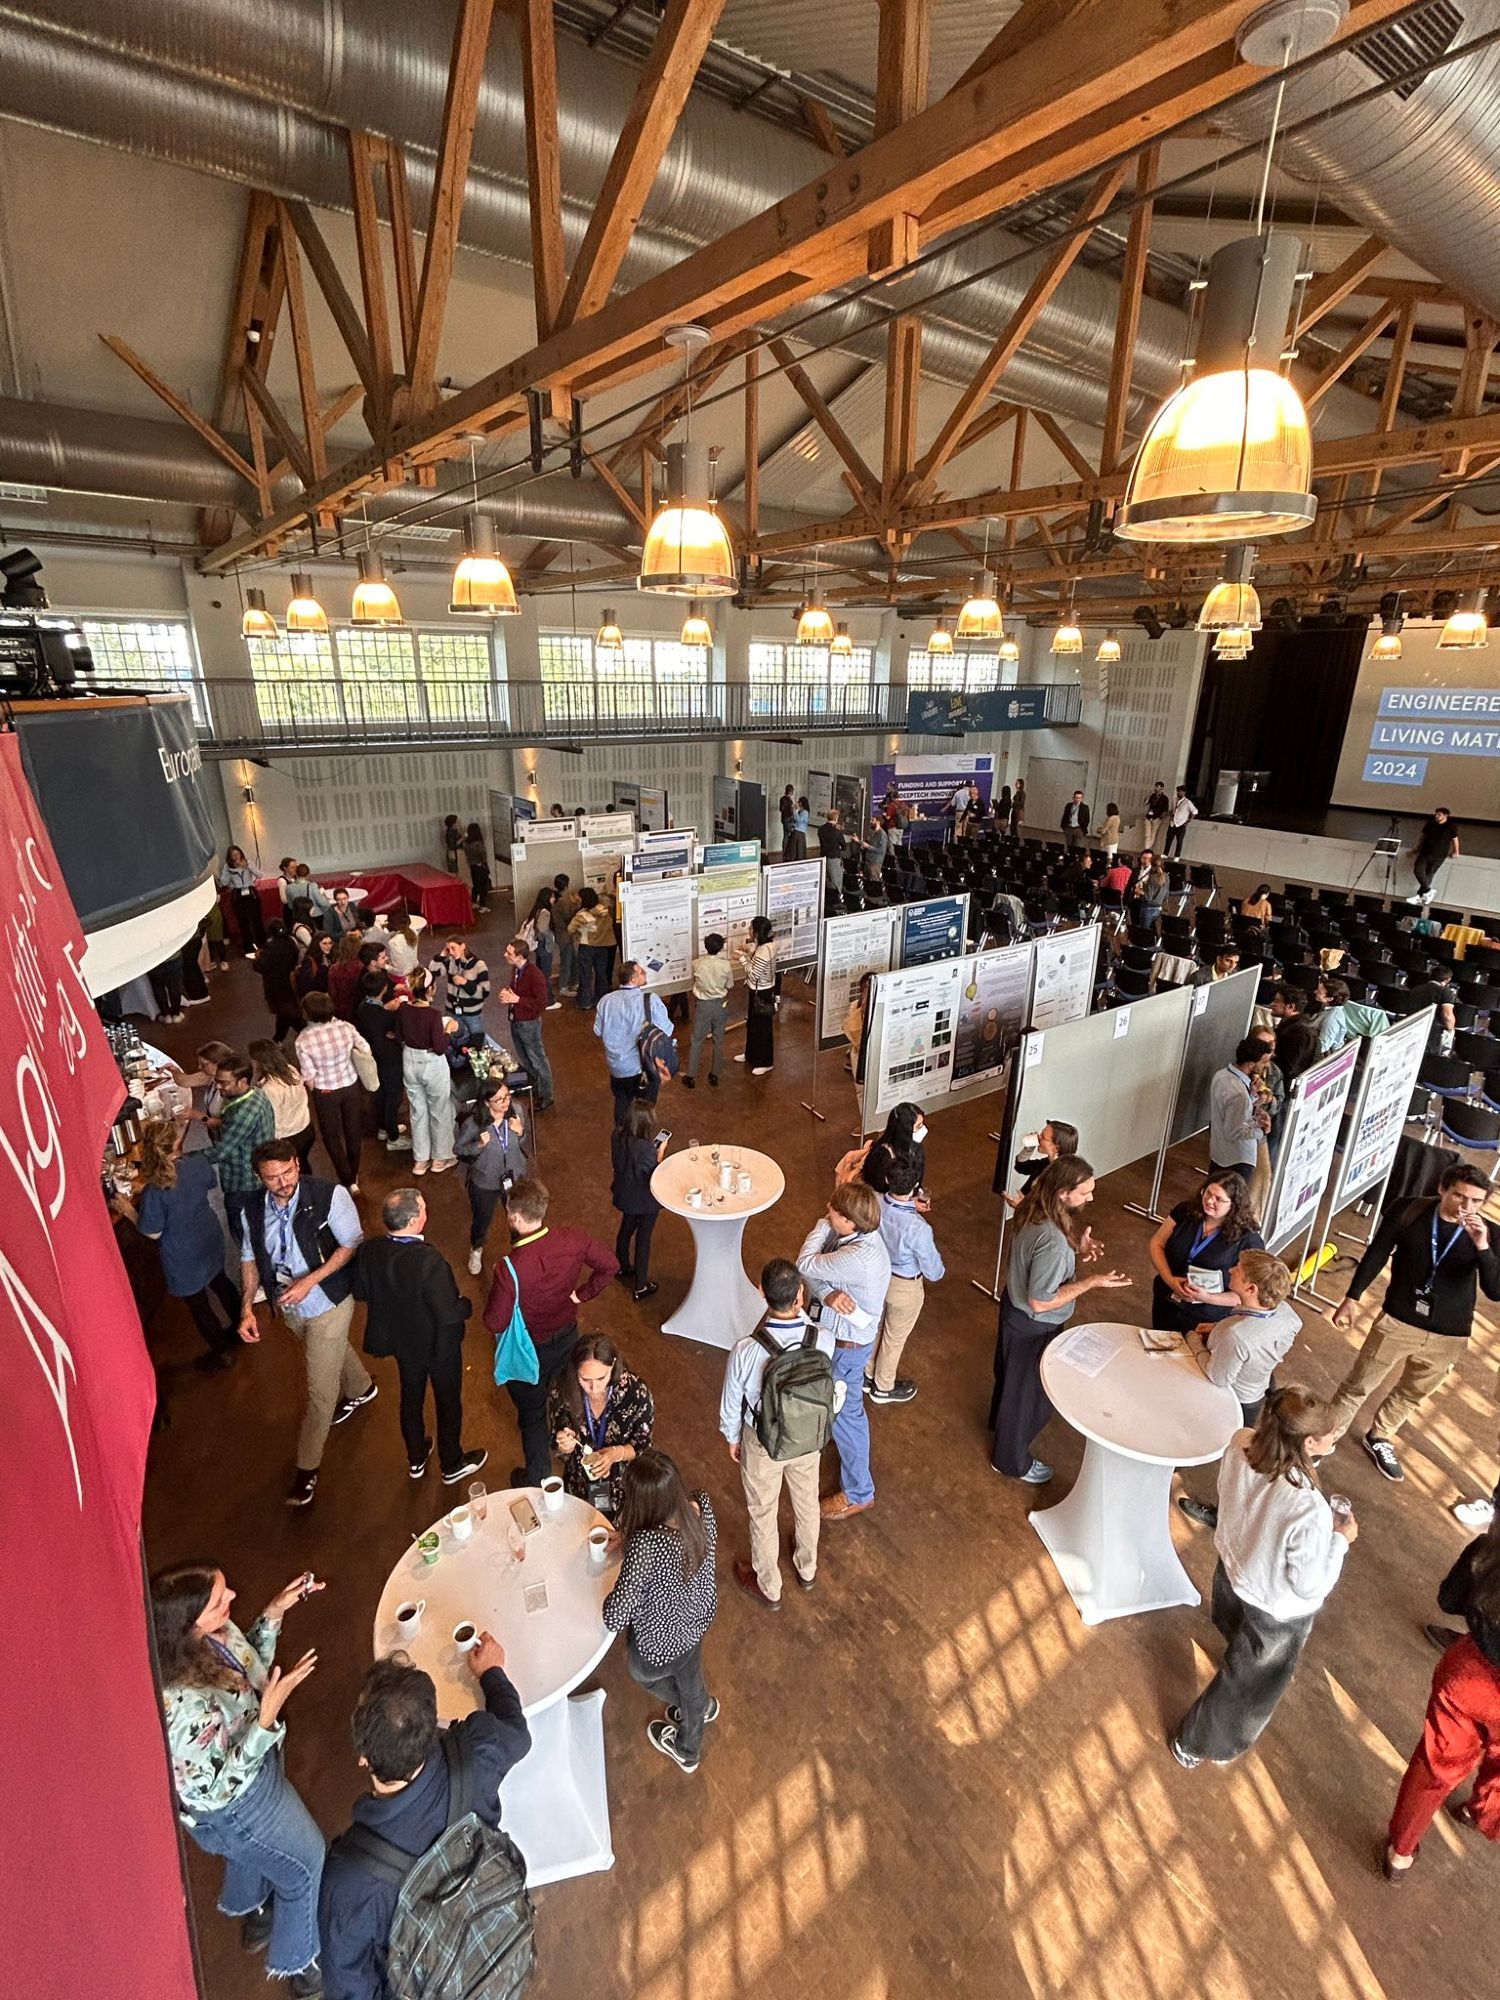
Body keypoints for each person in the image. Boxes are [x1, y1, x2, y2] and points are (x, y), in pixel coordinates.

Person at [151, 1562, 327, 1995]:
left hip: (260, 1767)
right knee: (306, 1865)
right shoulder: (177, 1707)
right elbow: (215, 1786)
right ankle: (301, 1967)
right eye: (218, 1602)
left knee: (262, 1856)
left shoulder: (216, 1636)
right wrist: (267, 1717)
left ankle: (258, 1914)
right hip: (238, 1805)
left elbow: (248, 1672)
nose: (232, 1600)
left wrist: (274, 1613)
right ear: (186, 1627)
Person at [319, 1642, 530, 2000]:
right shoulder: (475, 1752)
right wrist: (492, 1674)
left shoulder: (350, 1880)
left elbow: (350, 1987)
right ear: (431, 1725)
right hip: (498, 1958)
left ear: (363, 1759)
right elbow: (518, 1735)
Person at [1169, 1388, 1353, 1768]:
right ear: (1309, 1442)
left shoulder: (1241, 1443)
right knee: (1248, 1688)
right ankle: (1194, 1743)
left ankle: (1232, 1652)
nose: (1336, 1438)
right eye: (1331, 1434)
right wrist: (1339, 1541)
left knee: (1235, 1631)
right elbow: (1309, 1585)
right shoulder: (1308, 1508)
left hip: (1234, 1567)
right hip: (1275, 1607)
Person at [1325, 1164, 1499, 1482]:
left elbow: (1495, 1289)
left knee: (1412, 1393)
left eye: (1476, 1201)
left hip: (1450, 1334)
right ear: (1443, 1189)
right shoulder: (1409, 1211)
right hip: (1398, 1320)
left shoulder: (1489, 1234)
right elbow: (1377, 1253)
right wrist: (1352, 1297)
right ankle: (1323, 1441)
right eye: (1460, 1196)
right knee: (1358, 1385)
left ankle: (1379, 1436)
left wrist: (1483, 1246)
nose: (1467, 1207)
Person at [240, 1138, 374, 1508]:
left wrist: (309, 1281)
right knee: (326, 1350)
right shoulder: (250, 1209)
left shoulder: (330, 1196)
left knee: (320, 1395)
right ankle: (362, 1388)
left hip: (328, 1298)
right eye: (272, 1177)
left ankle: (306, 1469)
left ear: (297, 1164)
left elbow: (351, 1244)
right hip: (288, 1304)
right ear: (259, 1178)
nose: (283, 1182)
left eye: (288, 1172)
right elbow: (250, 1256)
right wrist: (247, 1307)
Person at [989, 1158, 1131, 1483]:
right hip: (1033, 1322)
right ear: (1064, 1193)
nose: (1090, 1198)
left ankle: (1001, 1430)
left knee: (1011, 1385)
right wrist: (1090, 1281)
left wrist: (1076, 1249)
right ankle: (1011, 1461)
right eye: (1085, 1193)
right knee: (1026, 1398)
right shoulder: (1052, 1240)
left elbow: (1036, 1259)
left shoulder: (1033, 1207)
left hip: (1014, 1309)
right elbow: (1042, 1300)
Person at [483, 1177, 618, 1485]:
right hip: (568, 1337)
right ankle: (569, 1450)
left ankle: (539, 1481)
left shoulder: (509, 1267)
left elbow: (495, 1322)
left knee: (531, 1416)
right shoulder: (572, 1239)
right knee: (567, 1399)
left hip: (527, 1350)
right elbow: (609, 1265)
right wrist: (580, 1294)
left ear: (515, 1217)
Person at [717, 1258, 833, 1612]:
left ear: (761, 1293)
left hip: (763, 1438)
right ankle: (807, 1567)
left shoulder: (748, 1349)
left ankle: (769, 1585)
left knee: (763, 1510)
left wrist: (732, 1437)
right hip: (808, 1435)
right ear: (800, 1293)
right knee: (807, 1500)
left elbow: (731, 1400)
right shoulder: (822, 1339)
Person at [1384, 1526, 1500, 1879]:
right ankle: (1479, 1813)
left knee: (1436, 1764)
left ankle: (1400, 1853)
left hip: (1470, 1675)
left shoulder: (1491, 1547)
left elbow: (1449, 1599)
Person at [351, 1188, 485, 1485]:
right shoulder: (428, 1260)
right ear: (414, 1221)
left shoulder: (370, 1251)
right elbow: (448, 1312)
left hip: (402, 1343)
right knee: (447, 1401)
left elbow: (361, 1291)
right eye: (423, 1208)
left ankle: (416, 1457)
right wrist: (467, 1304)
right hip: (439, 1345)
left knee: (410, 1397)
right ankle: (451, 1463)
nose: (427, 1211)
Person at [602, 1451, 718, 1776]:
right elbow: (676, 1542)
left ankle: (687, 1748)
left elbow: (614, 1617)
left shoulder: (646, 1545)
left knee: (645, 1677)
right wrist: (627, 1538)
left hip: (662, 1640)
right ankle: (699, 1707)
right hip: (697, 1617)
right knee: (690, 1676)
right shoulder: (702, 1505)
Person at [1176, 1251, 1303, 1528]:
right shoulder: (1286, 1315)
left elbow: (1218, 1377)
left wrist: (1196, 1341)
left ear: (1251, 1288)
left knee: (1223, 1455)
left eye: (1238, 1270)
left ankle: (1219, 1512)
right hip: (1257, 1393)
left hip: (1231, 1401)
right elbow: (1258, 1341)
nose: (1231, 1269)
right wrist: (1221, 1332)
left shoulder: (1237, 1335)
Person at [114, 1116, 241, 1371]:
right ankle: (242, 1326)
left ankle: (221, 1352)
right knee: (221, 1282)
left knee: (199, 1305)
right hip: (206, 1235)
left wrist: (128, 1210)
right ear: (176, 1145)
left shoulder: (155, 1191)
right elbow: (206, 1183)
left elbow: (153, 1233)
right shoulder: (197, 1164)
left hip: (181, 1253)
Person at [797, 1181, 892, 1522]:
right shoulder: (862, 1242)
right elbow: (818, 1280)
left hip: (846, 1346)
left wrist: (822, 1225)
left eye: (834, 1212)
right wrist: (827, 1294)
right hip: (849, 1337)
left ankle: (858, 1492)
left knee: (846, 1413)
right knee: (844, 1408)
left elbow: (804, 1263)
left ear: (851, 1222)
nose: (827, 1210)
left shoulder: (855, 1258)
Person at [868, 1153, 945, 1405]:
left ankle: (866, 1374)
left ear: (888, 1180)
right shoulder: (918, 1228)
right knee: (894, 1338)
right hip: (904, 1285)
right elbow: (934, 1272)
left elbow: (891, 1208)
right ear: (914, 1187)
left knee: (875, 1328)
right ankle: (883, 1386)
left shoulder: (875, 1202)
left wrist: (911, 1205)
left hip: (877, 1277)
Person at [549, 1333, 655, 1516]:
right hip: (580, 1481)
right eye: (585, 1380)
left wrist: (614, 1454)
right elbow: (557, 1438)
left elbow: (642, 1446)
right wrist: (564, 1445)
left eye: (601, 1379)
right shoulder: (563, 1389)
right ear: (575, 1371)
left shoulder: (635, 1393)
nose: (594, 1388)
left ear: (613, 1366)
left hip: (624, 1486)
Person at [1148, 1174, 1263, 1334]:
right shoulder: (1186, 1211)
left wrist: (1206, 1297)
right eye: (1208, 1193)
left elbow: (1248, 1295)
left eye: (1219, 1199)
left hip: (1206, 1314)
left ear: (1234, 1205)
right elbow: (1157, 1243)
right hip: (1167, 1296)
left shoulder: (1249, 1240)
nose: (1209, 1201)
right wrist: (1170, 1280)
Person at [296, 992, 371, 1193]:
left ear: (308, 1013)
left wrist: (313, 1087)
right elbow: (365, 1049)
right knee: (353, 1130)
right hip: (350, 1084)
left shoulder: (303, 1040)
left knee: (331, 1135)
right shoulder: (346, 1028)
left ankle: (346, 1178)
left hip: (325, 1091)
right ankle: (354, 1174)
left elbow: (309, 1076)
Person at [455, 1073, 528, 1277]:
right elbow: (459, 1149)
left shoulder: (516, 1113)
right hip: (485, 1180)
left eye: (507, 1097)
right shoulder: (473, 1124)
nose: (506, 1103)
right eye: (499, 1100)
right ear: (487, 1102)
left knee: (517, 1216)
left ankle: (521, 1252)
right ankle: (476, 1249)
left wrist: (520, 1133)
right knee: (482, 1218)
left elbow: (522, 1143)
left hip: (513, 1176)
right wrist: (478, 1145)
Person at [208, 1053, 277, 1246]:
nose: (218, 1086)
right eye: (217, 1081)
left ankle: (250, 1264)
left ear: (242, 1081)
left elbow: (220, 1152)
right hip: (255, 1175)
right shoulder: (254, 1093)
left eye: (224, 1083)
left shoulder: (244, 1113)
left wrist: (182, 1159)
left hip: (242, 1181)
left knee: (243, 1232)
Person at [396, 972, 457, 1176]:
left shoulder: (403, 1009)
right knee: (439, 1110)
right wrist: (448, 1030)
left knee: (417, 1111)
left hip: (409, 1060)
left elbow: (399, 1035)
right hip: (432, 1064)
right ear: (430, 989)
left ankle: (420, 1160)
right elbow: (440, 1048)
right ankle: (440, 1158)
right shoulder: (433, 1015)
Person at [611, 1097, 668, 1303]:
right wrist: (659, 1155)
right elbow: (654, 1175)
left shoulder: (617, 1136)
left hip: (625, 1193)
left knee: (626, 1229)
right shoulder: (645, 1148)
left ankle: (623, 1265)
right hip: (645, 1199)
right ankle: (641, 1284)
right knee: (644, 1239)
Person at [498, 937, 554, 1112]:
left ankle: (547, 1095)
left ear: (520, 956)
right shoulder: (516, 969)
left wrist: (516, 999)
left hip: (529, 1024)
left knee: (538, 1060)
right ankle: (536, 1085)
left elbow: (541, 1003)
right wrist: (508, 993)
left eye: (509, 953)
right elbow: (517, 990)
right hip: (517, 1020)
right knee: (526, 1059)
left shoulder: (535, 975)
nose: (505, 955)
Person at [1209, 1037, 1271, 1184]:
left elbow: (1228, 1111)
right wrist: (1262, 1131)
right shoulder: (1239, 1094)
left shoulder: (1220, 1075)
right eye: (1263, 1062)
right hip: (1237, 1159)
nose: (1266, 1065)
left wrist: (1252, 1097)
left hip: (1218, 1152)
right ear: (1251, 1064)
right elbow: (1234, 1132)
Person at [250, 1038, 315, 1170]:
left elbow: (274, 1119)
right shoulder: (290, 1070)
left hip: (287, 1138)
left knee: (292, 1170)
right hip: (305, 1129)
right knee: (302, 1164)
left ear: (259, 1062)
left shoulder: (268, 1088)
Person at [683, 930, 731, 1089]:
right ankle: (715, 1074)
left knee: (697, 1040)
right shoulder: (725, 964)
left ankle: (691, 1076)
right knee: (719, 1040)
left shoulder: (697, 963)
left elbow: (694, 981)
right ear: (721, 947)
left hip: (703, 1005)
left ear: (706, 946)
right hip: (720, 1004)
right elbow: (729, 985)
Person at [1005, 1118, 1079, 1211]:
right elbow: (1022, 1167)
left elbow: (1048, 1210)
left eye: (1043, 1137)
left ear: (1056, 1147)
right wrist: (1029, 1149)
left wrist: (1022, 1207)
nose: (1038, 1137)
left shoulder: (1062, 1176)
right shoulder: (1049, 1162)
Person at [736, 914, 778, 1076]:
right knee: (753, 1025)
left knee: (762, 1028)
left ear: (757, 932)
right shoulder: (766, 946)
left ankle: (765, 1062)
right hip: (758, 990)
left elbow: (753, 974)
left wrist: (742, 959)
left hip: (762, 992)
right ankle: (751, 1055)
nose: (749, 930)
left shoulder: (764, 951)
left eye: (751, 928)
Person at [427, 938, 490, 1045]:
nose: (451, 952)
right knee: (454, 1041)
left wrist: (465, 983)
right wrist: (442, 954)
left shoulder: (478, 965)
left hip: (472, 1013)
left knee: (477, 1042)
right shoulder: (450, 961)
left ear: (463, 946)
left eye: (453, 948)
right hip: (452, 1010)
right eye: (448, 949)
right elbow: (432, 971)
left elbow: (484, 992)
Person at [569, 886, 618, 1012]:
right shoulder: (605, 911)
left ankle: (585, 1002)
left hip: (587, 947)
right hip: (603, 947)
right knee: (601, 974)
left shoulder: (582, 915)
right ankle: (602, 1000)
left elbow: (570, 929)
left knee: (585, 975)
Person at [1408, 805, 1460, 906]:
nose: (1436, 816)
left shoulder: (1451, 826)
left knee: (1429, 873)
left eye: (1439, 815)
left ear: (1445, 815)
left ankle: (1420, 896)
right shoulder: (1430, 823)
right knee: (1418, 870)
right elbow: (1423, 836)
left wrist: (1456, 851)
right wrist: (1417, 848)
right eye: (1436, 814)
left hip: (1439, 854)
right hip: (1425, 851)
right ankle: (1428, 890)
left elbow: (1455, 839)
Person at [221, 845, 267, 955]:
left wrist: (248, 867)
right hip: (238, 894)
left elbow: (260, 875)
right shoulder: (227, 867)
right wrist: (228, 871)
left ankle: (262, 943)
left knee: (257, 919)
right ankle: (248, 947)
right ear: (230, 857)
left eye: (238, 854)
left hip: (250, 892)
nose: (236, 857)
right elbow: (223, 882)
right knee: (243, 922)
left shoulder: (248, 862)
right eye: (233, 855)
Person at [1269, 982, 1319, 1084]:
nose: (1272, 1004)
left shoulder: (1298, 1033)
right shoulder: (1294, 1026)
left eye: (1277, 1001)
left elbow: (1289, 1068)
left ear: (1291, 1006)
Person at [521, 884, 559, 999]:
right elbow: (542, 929)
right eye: (552, 897)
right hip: (545, 945)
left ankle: (539, 995)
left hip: (538, 945)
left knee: (541, 971)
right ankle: (548, 1000)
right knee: (545, 974)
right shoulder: (545, 913)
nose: (554, 899)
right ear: (547, 898)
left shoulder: (537, 910)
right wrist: (551, 934)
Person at [326, 932, 367, 1021]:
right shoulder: (362, 968)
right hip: (358, 1010)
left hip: (339, 1010)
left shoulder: (333, 969)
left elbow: (332, 993)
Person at [552, 872, 581, 996]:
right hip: (565, 935)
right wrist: (577, 906)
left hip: (562, 935)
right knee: (567, 961)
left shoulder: (557, 899)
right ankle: (564, 987)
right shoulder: (562, 901)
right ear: (567, 885)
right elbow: (568, 918)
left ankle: (574, 983)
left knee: (573, 959)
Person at [1313, 974, 1352, 1054]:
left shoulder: (1332, 1019)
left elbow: (1323, 1046)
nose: (1315, 992)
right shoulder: (1326, 1006)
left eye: (1319, 992)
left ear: (1329, 999)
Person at [293, 932, 335, 1006]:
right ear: (317, 944)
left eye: (330, 943)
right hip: (316, 1000)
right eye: (324, 943)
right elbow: (305, 986)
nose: (328, 946)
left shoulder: (330, 957)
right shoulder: (309, 961)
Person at [1131, 849, 1168, 930]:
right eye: (1144, 858)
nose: (1146, 861)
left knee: (1145, 929)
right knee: (1135, 923)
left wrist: (1140, 892)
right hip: (1135, 902)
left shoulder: (1154, 875)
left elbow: (1149, 897)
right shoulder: (1135, 870)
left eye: (1149, 859)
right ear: (1140, 858)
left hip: (1146, 903)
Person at [817, 806, 847, 898]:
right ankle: (837, 899)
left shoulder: (821, 829)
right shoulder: (837, 832)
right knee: (836, 881)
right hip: (834, 858)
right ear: (836, 818)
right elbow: (844, 846)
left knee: (826, 880)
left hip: (823, 857)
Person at [383, 913, 422, 981]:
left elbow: (400, 969)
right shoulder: (414, 932)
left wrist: (385, 966)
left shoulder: (394, 942)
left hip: (401, 977)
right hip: (414, 969)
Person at [463, 822, 491, 909]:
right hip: (480, 865)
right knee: (483, 885)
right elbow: (483, 855)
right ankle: (483, 905)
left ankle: (474, 902)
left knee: (475, 885)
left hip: (472, 865)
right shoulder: (479, 844)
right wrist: (484, 864)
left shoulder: (466, 843)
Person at [1165, 785, 1198, 857]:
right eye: (1177, 792)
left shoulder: (1188, 802)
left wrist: (1189, 820)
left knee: (1179, 841)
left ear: (1184, 792)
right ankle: (1165, 853)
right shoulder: (1174, 800)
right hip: (1172, 822)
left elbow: (1194, 811)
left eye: (1179, 792)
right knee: (1168, 839)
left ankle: (1177, 856)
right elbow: (1172, 810)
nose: (1178, 793)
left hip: (1181, 823)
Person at [1143, 781, 1171, 851]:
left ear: (1162, 788)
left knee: (1153, 834)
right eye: (1155, 786)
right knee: (1147, 834)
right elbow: (1145, 803)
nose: (1156, 788)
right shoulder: (1152, 796)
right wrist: (1149, 795)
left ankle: (1148, 849)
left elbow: (1165, 809)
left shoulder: (1165, 798)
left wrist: (1160, 817)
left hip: (1157, 817)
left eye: (1157, 787)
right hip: (1148, 817)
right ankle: (1146, 849)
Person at [863, 813, 890, 880]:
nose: (870, 822)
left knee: (874, 883)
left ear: (878, 822)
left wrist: (868, 846)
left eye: (872, 820)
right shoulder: (873, 832)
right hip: (869, 860)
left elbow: (881, 850)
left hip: (875, 863)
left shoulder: (882, 835)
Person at [784, 796, 810, 861]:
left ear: (801, 803)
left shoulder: (805, 812)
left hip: (800, 832)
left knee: (799, 849)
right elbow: (795, 820)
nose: (797, 803)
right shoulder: (800, 811)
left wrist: (796, 811)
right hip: (796, 830)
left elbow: (799, 821)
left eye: (799, 802)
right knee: (794, 848)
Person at [778, 784, 796, 850]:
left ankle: (785, 851)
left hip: (785, 819)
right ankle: (789, 850)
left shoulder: (783, 799)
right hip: (788, 818)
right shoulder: (787, 799)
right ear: (790, 791)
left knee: (785, 835)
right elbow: (783, 809)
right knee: (791, 834)